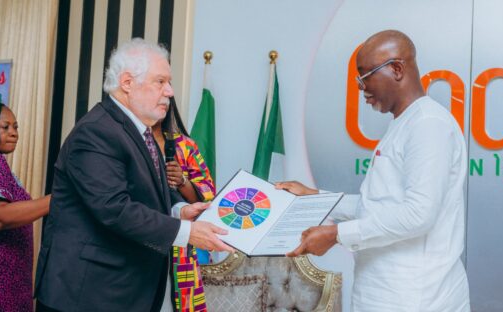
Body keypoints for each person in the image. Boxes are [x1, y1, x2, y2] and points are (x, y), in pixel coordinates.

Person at [34, 38, 233, 312]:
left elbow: (142, 193)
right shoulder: (98, 131)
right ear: (127, 83)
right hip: (88, 294)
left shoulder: (137, 131)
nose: (170, 92)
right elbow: (114, 209)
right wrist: (186, 232)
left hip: (120, 290)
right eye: (160, 81)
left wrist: (178, 211)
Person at [279, 30, 470, 311]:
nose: (360, 87)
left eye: (365, 76)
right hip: (384, 294)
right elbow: (379, 207)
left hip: (417, 297)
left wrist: (337, 235)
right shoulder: (403, 123)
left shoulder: (428, 124)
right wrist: (314, 197)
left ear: (397, 69)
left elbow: (418, 214)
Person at [0, 101, 50, 312]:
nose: (14, 133)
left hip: (8, 283)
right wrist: (60, 199)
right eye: (5, 127)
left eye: (16, 127)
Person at [152, 100, 215, 311]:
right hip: (144, 239)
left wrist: (182, 182)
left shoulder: (185, 146)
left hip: (180, 250)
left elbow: (207, 198)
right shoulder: (129, 142)